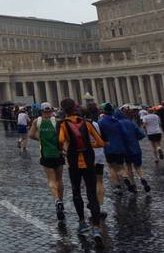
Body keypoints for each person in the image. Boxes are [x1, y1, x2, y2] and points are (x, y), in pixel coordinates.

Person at [58, 98, 104, 246]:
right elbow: (101, 143)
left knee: (76, 192)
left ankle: (82, 222)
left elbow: (60, 140)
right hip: (89, 162)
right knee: (92, 193)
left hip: (74, 163)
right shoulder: (87, 123)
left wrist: (64, 150)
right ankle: (96, 228)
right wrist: (90, 145)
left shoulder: (63, 124)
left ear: (63, 110)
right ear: (75, 108)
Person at [28, 103, 65, 223]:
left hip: (46, 154)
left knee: (51, 180)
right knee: (59, 179)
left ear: (41, 111)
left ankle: (56, 200)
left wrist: (41, 139)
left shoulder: (36, 122)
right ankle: (61, 200)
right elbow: (62, 137)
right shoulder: (57, 121)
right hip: (58, 153)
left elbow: (31, 135)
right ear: (51, 111)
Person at [98, 103, 134, 194]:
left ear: (104, 111)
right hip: (119, 147)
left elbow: (99, 135)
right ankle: (126, 178)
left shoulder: (101, 122)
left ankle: (118, 186)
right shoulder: (118, 121)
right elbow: (125, 134)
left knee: (112, 167)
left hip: (108, 148)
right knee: (121, 166)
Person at [117, 109, 150, 193]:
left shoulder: (117, 124)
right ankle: (142, 179)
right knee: (138, 167)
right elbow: (140, 134)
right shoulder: (130, 122)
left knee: (129, 167)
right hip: (135, 147)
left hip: (125, 149)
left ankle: (133, 185)